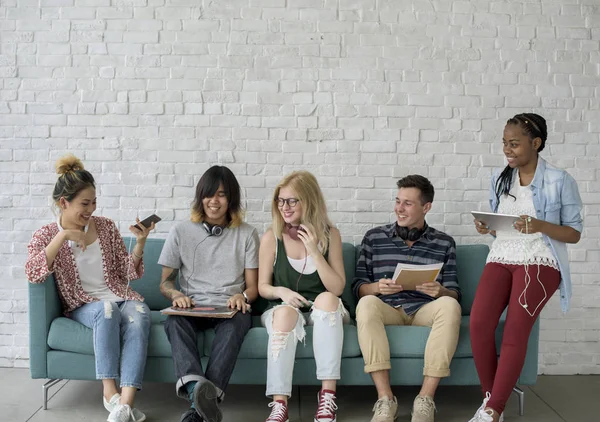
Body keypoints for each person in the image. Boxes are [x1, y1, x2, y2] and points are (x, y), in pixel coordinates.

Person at [469, 113, 583, 422]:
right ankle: (490, 399)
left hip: (539, 260)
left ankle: (493, 411)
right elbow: (501, 225)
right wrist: (487, 227)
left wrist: (540, 226)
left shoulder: (560, 180)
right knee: (478, 325)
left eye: (515, 144)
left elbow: (574, 233)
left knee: (515, 332)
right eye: (505, 143)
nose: (508, 149)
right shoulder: (500, 177)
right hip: (501, 255)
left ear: (536, 143)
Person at [25, 154, 153, 422]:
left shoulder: (105, 227)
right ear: (64, 203)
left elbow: (127, 273)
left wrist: (140, 243)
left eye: (94, 202)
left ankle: (125, 405)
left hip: (119, 295)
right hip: (85, 305)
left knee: (140, 311)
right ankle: (109, 392)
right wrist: (63, 236)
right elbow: (33, 272)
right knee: (106, 309)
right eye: (85, 203)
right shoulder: (46, 235)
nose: (91, 209)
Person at [352, 175, 462, 422]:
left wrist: (440, 291)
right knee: (367, 303)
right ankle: (385, 399)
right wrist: (376, 288)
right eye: (397, 201)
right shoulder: (374, 238)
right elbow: (357, 288)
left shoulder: (444, 243)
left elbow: (455, 292)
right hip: (388, 308)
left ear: (426, 207)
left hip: (425, 310)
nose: (399, 209)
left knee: (450, 305)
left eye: (408, 203)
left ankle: (425, 400)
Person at [158, 165, 259, 422]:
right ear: (200, 197)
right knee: (174, 321)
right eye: (208, 194)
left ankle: (196, 411)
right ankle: (198, 396)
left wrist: (242, 297)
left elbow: (253, 288)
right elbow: (165, 284)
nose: (213, 201)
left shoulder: (248, 234)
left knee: (238, 324)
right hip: (193, 306)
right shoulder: (180, 231)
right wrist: (176, 296)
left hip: (230, 308)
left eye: (222, 195)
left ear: (231, 199)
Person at [258, 171, 349, 422]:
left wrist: (314, 251)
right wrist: (282, 292)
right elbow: (263, 286)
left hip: (323, 310)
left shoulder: (331, 234)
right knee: (286, 313)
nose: (284, 207)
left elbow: (338, 288)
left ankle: (327, 396)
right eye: (280, 200)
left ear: (308, 200)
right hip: (284, 310)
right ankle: (279, 404)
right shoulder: (271, 237)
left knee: (328, 299)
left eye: (291, 201)